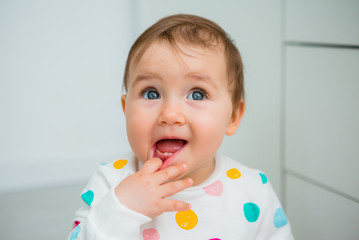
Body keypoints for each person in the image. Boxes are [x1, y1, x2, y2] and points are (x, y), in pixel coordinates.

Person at [68, 14, 294, 240]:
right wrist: (121, 210)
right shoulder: (112, 182)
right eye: (151, 93)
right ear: (126, 108)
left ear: (233, 116)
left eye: (197, 94)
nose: (170, 115)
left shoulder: (253, 190)